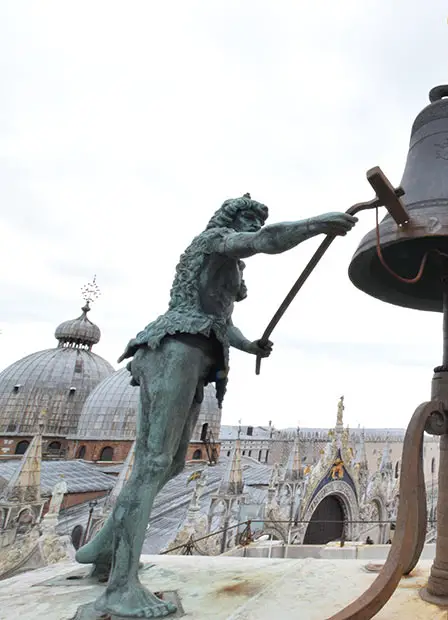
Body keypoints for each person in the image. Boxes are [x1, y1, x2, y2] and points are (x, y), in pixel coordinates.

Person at [75, 194, 357, 618]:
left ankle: (103, 552)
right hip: (174, 350)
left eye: (254, 219)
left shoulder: (228, 268)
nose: (250, 225)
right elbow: (267, 240)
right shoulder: (214, 241)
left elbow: (220, 321)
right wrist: (317, 224)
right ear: (230, 221)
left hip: (194, 353)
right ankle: (120, 588)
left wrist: (249, 344)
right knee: (153, 464)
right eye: (245, 218)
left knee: (168, 465)